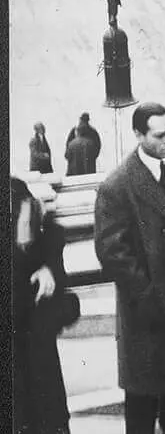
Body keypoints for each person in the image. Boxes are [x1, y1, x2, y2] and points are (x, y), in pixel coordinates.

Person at [94, 102, 165, 434]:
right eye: (159, 135)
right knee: (143, 409)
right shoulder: (117, 186)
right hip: (148, 321)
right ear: (137, 134)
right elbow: (111, 252)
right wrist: (149, 297)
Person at [13, 174, 73, 434]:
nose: (28, 230)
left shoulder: (43, 249)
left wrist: (51, 272)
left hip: (44, 380)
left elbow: (69, 307)